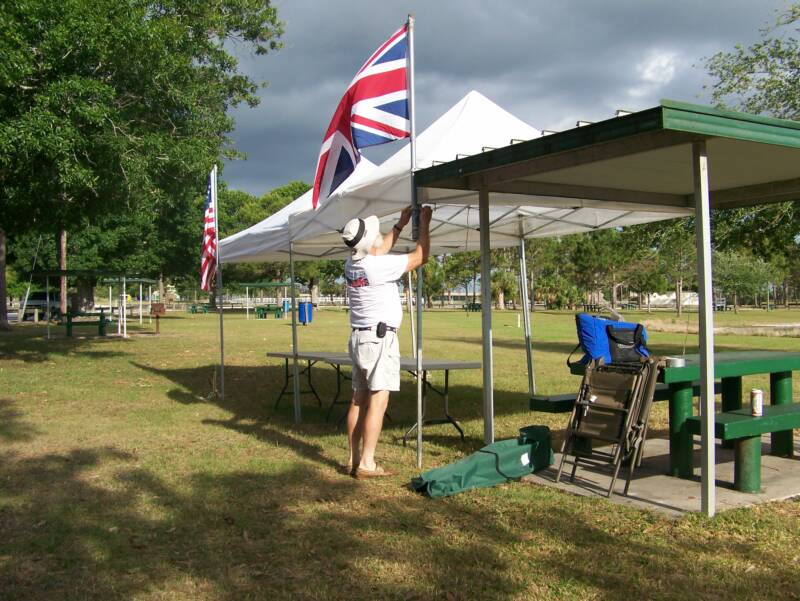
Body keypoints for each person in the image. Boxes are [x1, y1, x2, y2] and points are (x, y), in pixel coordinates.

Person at [340, 205, 432, 478]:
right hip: (380, 339)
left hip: (359, 337)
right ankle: (367, 463)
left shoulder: (353, 263)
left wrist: (401, 225)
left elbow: (378, 249)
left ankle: (353, 458)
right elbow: (421, 256)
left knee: (358, 399)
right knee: (379, 400)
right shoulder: (377, 266)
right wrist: (424, 223)